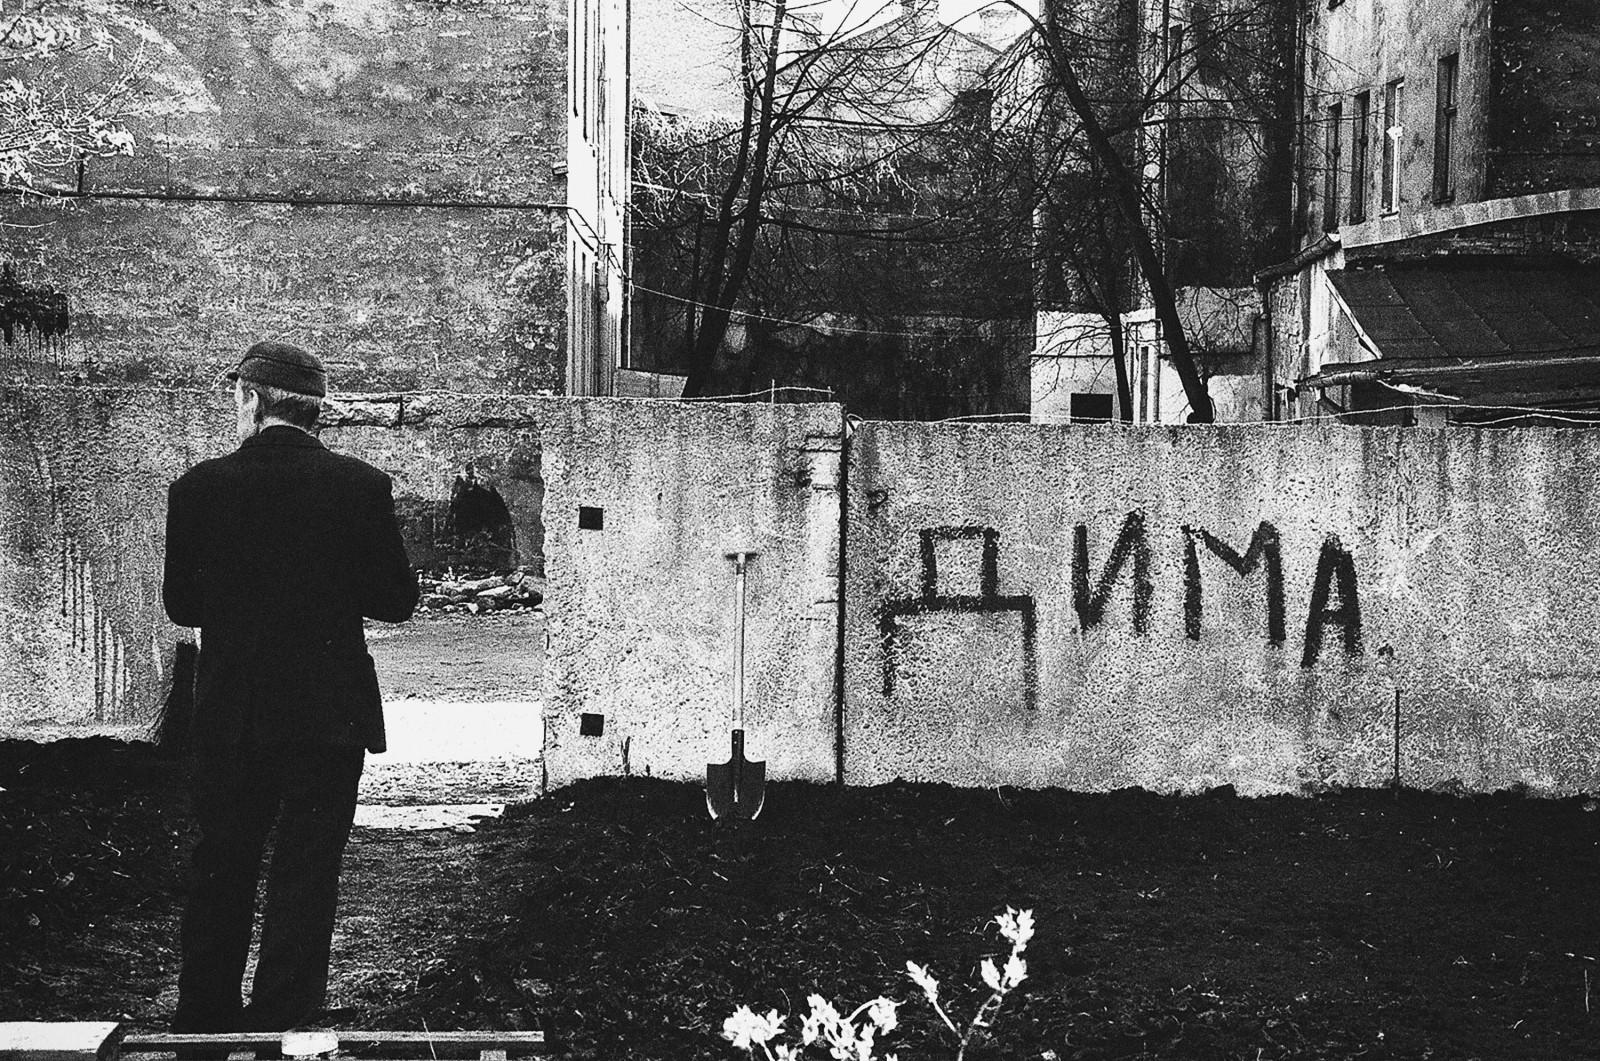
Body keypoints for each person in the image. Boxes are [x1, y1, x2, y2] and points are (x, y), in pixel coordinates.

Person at [163, 340, 419, 1037]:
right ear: (313, 411)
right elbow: (397, 599)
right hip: (326, 717)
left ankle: (204, 1032)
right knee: (306, 877)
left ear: (251, 400)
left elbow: (182, 604)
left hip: (232, 717)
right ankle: (283, 1028)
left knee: (221, 870)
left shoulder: (196, 489)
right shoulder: (361, 486)